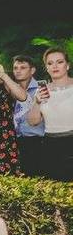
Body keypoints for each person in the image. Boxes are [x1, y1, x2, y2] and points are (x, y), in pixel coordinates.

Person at [27, 47, 73, 182]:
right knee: (54, 188)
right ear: (46, 68)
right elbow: (33, 122)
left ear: (67, 65)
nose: (55, 66)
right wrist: (37, 102)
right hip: (50, 144)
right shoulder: (41, 91)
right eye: (50, 63)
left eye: (59, 62)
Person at [11, 54, 45, 177]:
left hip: (35, 141)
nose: (18, 71)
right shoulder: (10, 89)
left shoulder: (42, 88)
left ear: (32, 70)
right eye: (15, 68)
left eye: (23, 67)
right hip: (14, 140)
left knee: (34, 179)